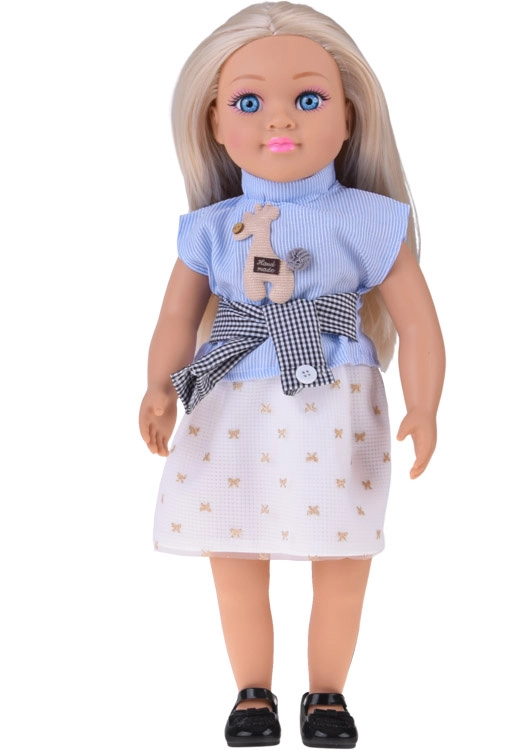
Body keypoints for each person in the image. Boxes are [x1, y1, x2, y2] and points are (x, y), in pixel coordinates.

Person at [138, 3, 444, 746]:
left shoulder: (367, 218)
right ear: (215, 121)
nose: (281, 118)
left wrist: (425, 403)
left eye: (309, 98)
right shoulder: (211, 227)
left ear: (349, 118)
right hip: (232, 402)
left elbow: (417, 321)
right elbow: (177, 316)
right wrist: (158, 386)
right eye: (249, 102)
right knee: (233, 549)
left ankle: (328, 695)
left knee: (341, 552)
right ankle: (252, 693)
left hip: (332, 402)